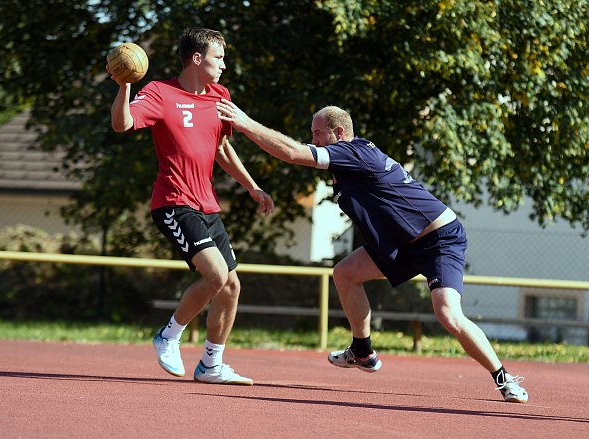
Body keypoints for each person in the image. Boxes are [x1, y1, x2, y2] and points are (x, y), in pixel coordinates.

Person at [216, 99, 529, 403]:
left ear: (338, 133)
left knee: (447, 312)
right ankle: (362, 350)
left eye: (317, 133)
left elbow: (294, 153)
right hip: (403, 242)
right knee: (345, 274)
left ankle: (505, 379)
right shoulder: (348, 160)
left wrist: (245, 124)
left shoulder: (352, 152)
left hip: (438, 240)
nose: (312, 139)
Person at [107, 28, 274, 385]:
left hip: (206, 204)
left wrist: (253, 187)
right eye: (219, 58)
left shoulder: (220, 97)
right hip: (174, 202)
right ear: (197, 59)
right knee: (214, 274)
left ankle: (211, 365)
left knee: (231, 286)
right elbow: (121, 125)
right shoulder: (160, 93)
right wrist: (124, 85)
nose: (224, 65)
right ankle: (168, 336)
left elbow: (222, 150)